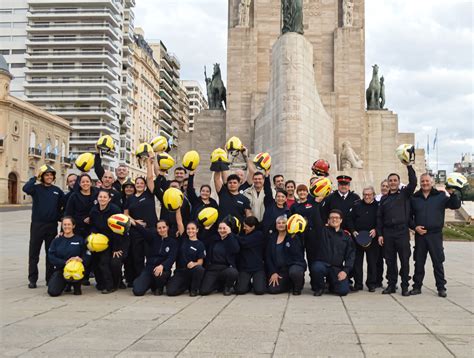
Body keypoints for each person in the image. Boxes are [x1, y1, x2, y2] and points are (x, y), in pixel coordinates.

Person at [409, 173, 461, 297]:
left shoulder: (440, 196)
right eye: (422, 181)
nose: (425, 183)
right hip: (420, 235)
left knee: (438, 262)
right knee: (419, 262)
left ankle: (441, 287)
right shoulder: (414, 198)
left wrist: (452, 193)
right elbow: (408, 216)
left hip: (435, 235)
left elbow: (455, 205)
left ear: (432, 182)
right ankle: (417, 287)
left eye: (427, 181)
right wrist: (415, 227)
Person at [377, 165, 417, 296]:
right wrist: (380, 234)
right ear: (388, 183)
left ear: (399, 183)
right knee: (390, 261)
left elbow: (413, 183)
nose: (393, 182)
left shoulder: (404, 194)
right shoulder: (384, 199)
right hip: (388, 233)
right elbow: (379, 218)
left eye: (395, 180)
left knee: (404, 260)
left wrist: (409, 166)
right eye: (391, 180)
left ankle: (405, 286)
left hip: (402, 232)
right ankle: (391, 285)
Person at [22, 165, 64, 288]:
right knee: (34, 253)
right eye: (46, 175)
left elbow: (62, 206)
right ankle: (32, 279)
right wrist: (35, 176)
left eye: (51, 175)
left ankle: (49, 279)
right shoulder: (36, 189)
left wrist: (60, 217)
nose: (49, 177)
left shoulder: (57, 191)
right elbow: (26, 188)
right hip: (37, 225)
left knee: (50, 253)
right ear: (42, 176)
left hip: (51, 226)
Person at [124, 162, 158, 286]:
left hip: (150, 230)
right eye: (137, 183)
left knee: (151, 257)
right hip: (136, 232)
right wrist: (134, 222)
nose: (139, 185)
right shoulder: (130, 199)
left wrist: (150, 162)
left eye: (141, 183)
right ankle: (140, 281)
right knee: (137, 258)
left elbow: (149, 177)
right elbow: (125, 215)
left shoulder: (149, 194)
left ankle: (153, 281)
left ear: (145, 186)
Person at [309, 205, 355, 297]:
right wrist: (317, 203)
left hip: (336, 268)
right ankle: (320, 288)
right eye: (332, 218)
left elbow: (350, 256)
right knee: (316, 267)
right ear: (328, 220)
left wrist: (345, 271)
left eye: (337, 218)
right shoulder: (322, 231)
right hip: (322, 265)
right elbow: (315, 218)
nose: (334, 220)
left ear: (341, 220)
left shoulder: (346, 236)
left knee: (343, 291)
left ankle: (331, 285)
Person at [89, 189, 128, 293]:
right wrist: (93, 235)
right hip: (102, 241)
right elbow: (93, 225)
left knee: (113, 262)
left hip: (117, 240)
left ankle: (111, 285)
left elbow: (119, 231)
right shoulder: (94, 210)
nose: (102, 199)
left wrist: (116, 248)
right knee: (101, 261)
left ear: (109, 199)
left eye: (105, 197)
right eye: (100, 197)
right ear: (97, 198)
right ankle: (102, 283)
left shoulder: (115, 210)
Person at [132, 219, 178, 296]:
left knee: (159, 275)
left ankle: (159, 288)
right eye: (159, 228)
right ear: (157, 229)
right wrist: (130, 220)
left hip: (162, 270)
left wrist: (162, 266)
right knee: (137, 291)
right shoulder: (152, 238)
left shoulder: (173, 242)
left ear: (167, 227)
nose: (162, 230)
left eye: (164, 227)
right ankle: (149, 283)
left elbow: (171, 258)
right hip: (149, 269)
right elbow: (142, 230)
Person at [347, 186, 380, 292]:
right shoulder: (357, 205)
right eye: (365, 194)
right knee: (357, 262)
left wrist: (376, 230)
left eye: (369, 194)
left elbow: (381, 220)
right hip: (358, 238)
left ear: (373, 195)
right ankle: (358, 284)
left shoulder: (378, 206)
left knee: (372, 262)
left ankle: (371, 283)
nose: (367, 196)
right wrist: (353, 231)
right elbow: (349, 219)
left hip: (372, 238)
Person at [166, 212, 206, 297]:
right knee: (170, 292)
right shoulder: (183, 239)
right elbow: (179, 222)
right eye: (188, 229)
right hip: (180, 272)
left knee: (199, 269)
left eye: (193, 229)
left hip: (191, 271)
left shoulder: (200, 244)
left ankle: (194, 289)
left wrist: (194, 263)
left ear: (197, 230)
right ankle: (185, 285)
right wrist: (178, 208)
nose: (190, 231)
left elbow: (200, 262)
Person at [265, 215, 306, 295]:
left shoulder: (293, 237)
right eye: (278, 223)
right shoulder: (272, 238)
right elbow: (268, 257)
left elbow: (297, 254)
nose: (281, 224)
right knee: (271, 289)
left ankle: (297, 285)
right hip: (278, 271)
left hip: (290, 268)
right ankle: (288, 283)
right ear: (276, 225)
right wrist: (273, 272)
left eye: (283, 223)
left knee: (295, 272)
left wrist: (292, 238)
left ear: (287, 224)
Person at [47, 217, 88, 296]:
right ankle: (66, 284)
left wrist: (81, 259)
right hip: (61, 270)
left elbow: (87, 254)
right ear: (62, 226)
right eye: (64, 224)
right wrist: (65, 262)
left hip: (76, 270)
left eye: (69, 224)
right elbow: (51, 256)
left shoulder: (79, 239)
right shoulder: (57, 240)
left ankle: (75, 285)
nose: (66, 226)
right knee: (53, 292)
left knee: (77, 293)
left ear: (73, 226)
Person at [200, 220, 240, 295]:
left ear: (228, 229)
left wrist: (230, 234)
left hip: (225, 268)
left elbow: (236, 249)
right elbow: (202, 242)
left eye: (224, 228)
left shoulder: (232, 239)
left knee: (233, 272)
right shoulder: (214, 239)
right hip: (212, 269)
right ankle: (218, 285)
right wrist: (206, 229)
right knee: (204, 291)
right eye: (220, 228)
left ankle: (228, 287)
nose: (222, 230)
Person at [235, 216, 266, 295]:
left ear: (253, 227)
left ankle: (257, 282)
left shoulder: (258, 234)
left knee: (259, 291)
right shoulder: (242, 233)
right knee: (240, 290)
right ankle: (247, 284)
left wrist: (234, 236)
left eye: (246, 226)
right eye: (244, 226)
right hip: (245, 268)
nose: (244, 228)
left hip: (257, 267)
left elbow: (244, 243)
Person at [65, 174, 96, 239]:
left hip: (94, 229)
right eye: (83, 182)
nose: (85, 183)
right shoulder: (74, 196)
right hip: (78, 229)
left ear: (91, 183)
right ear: (79, 183)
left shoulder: (97, 194)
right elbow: (68, 213)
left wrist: (91, 217)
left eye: (87, 181)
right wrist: (64, 230)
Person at [261, 171, 290, 236]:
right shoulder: (270, 204)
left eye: (282, 197)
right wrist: (266, 176)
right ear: (275, 198)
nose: (280, 198)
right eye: (278, 196)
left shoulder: (287, 211)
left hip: (279, 238)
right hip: (266, 236)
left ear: (286, 199)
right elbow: (267, 190)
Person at [375, 179, 389, 287]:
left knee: (389, 259)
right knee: (378, 259)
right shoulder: (376, 199)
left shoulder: (394, 199)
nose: (384, 188)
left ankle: (390, 281)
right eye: (383, 186)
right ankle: (377, 280)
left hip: (389, 232)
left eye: (386, 186)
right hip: (377, 233)